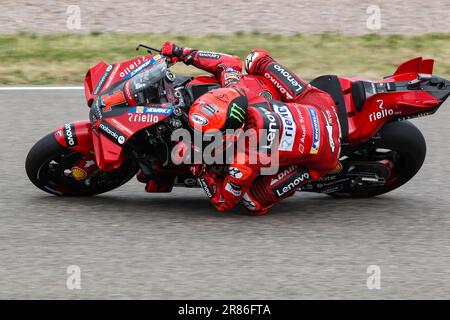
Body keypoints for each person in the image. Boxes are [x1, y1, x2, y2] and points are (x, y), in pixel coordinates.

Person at [162, 42, 342, 215]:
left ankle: (310, 173)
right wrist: (182, 52)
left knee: (251, 202)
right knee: (256, 59)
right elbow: (228, 63)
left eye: (205, 134)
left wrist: (197, 167)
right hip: (320, 105)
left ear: (230, 135)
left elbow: (224, 202)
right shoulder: (237, 90)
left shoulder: (245, 160)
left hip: (326, 154)